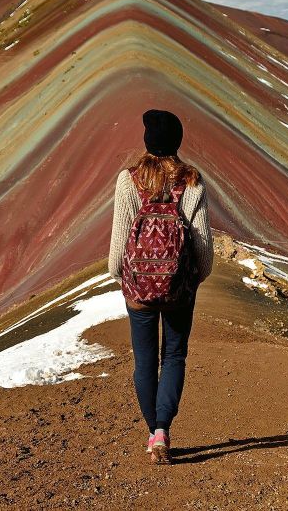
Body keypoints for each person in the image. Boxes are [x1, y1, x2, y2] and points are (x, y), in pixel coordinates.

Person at [107, 109, 214, 464]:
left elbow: (118, 245)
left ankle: (153, 432)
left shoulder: (129, 181)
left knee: (144, 361)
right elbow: (203, 248)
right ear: (178, 143)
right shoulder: (193, 182)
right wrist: (190, 279)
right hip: (179, 292)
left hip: (138, 291)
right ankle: (164, 429)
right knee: (174, 356)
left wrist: (127, 279)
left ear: (147, 143)